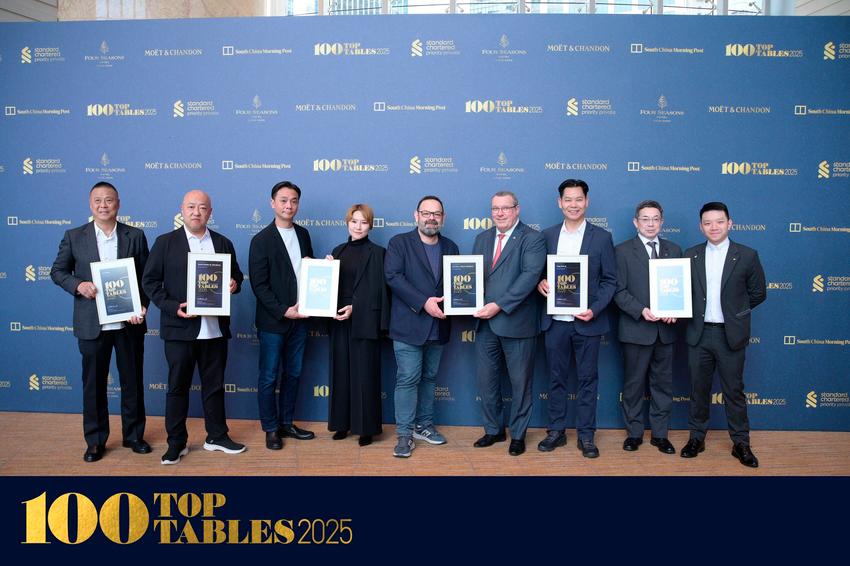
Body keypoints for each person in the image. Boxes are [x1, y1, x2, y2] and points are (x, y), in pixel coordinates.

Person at [142, 189, 245, 465]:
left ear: (210, 212)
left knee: (214, 386)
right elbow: (149, 282)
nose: (196, 212)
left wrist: (235, 284)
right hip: (179, 329)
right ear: (182, 210)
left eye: (202, 207)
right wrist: (173, 305)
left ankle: (217, 437)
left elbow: (235, 275)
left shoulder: (223, 243)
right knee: (177, 387)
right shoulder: (165, 243)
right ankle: (176, 443)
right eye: (191, 207)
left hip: (214, 330)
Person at [50, 181, 150, 462]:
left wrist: (142, 304)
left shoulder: (135, 235)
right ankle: (95, 440)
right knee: (93, 384)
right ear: (90, 204)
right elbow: (57, 271)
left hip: (128, 323)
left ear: (118, 203)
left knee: (132, 382)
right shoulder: (74, 236)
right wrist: (77, 284)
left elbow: (147, 278)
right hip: (91, 323)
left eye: (109, 200)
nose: (103, 205)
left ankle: (134, 436)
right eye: (98, 200)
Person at [681, 202, 766, 467]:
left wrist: (735, 313)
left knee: (734, 391)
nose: (713, 227)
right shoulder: (690, 254)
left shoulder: (747, 255)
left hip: (731, 335)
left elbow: (758, 293)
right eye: (708, 222)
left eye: (719, 221)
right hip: (700, 334)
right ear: (701, 226)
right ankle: (697, 438)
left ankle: (741, 443)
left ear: (730, 223)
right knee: (698, 389)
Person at [537, 179, 617, 458]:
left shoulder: (602, 237)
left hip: (587, 321)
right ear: (559, 203)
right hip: (555, 322)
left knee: (587, 380)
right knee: (555, 379)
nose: (573, 204)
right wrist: (541, 284)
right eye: (568, 200)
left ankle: (586, 435)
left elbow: (609, 281)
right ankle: (556, 432)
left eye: (578, 199)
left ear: (587, 202)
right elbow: (537, 273)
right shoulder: (546, 236)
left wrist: (594, 309)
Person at [471, 191, 546, 456]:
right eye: (495, 209)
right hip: (485, 325)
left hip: (517, 323)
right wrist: (463, 297)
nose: (500, 213)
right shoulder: (482, 238)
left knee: (520, 384)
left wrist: (499, 305)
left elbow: (529, 276)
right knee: (486, 381)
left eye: (505, 208)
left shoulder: (532, 238)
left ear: (517, 209)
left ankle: (518, 434)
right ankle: (493, 430)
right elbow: (473, 277)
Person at [384, 196, 459, 458]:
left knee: (429, 378)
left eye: (436, 214)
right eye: (426, 213)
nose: (431, 218)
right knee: (408, 379)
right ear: (416, 216)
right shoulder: (399, 243)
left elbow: (457, 284)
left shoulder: (451, 247)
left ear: (443, 218)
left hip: (439, 324)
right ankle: (404, 435)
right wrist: (423, 302)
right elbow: (393, 277)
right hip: (409, 325)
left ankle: (424, 426)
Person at [249, 181, 316, 451]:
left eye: (294, 201)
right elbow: (259, 284)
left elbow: (308, 272)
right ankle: (271, 428)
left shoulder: (303, 234)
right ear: (272, 203)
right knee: (268, 376)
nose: (289, 205)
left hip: (301, 319)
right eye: (284, 200)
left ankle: (287, 422)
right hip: (273, 322)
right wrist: (283, 310)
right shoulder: (261, 240)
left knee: (294, 373)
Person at [614, 200, 682, 455]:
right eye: (645, 219)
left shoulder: (674, 250)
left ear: (662, 222)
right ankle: (634, 433)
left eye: (655, 219)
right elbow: (618, 291)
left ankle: (660, 435)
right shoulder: (621, 251)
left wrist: (675, 312)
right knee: (633, 385)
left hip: (665, 332)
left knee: (663, 385)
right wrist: (641, 310)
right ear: (636, 222)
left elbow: (680, 289)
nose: (651, 223)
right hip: (635, 329)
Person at [327, 204, 389, 446]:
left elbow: (380, 292)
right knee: (340, 373)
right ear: (347, 223)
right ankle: (341, 425)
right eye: (354, 221)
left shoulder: (379, 252)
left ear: (370, 225)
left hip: (365, 320)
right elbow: (330, 287)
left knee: (365, 376)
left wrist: (355, 307)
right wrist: (325, 270)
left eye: (364, 222)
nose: (358, 226)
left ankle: (366, 429)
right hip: (339, 320)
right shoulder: (337, 251)